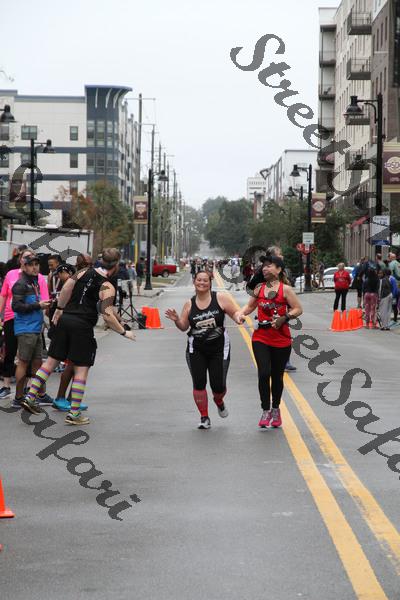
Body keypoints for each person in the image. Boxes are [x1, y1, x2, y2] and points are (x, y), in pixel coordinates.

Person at [21, 248, 135, 425]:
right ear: (117, 265)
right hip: (82, 326)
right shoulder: (107, 286)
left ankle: (30, 396)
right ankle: (74, 413)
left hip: (66, 320)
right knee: (81, 369)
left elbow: (66, 288)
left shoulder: (82, 272)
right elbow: (107, 315)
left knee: (50, 362)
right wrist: (124, 332)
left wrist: (60, 309)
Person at [165, 270, 240, 430]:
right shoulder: (189, 304)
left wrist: (239, 317)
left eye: (205, 280)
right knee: (199, 383)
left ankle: (219, 401)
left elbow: (235, 313)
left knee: (218, 386)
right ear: (194, 282)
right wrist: (177, 320)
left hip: (219, 348)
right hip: (196, 348)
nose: (202, 283)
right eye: (199, 280)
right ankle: (204, 417)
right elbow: (183, 327)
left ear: (210, 283)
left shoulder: (220, 298)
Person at [236, 255, 303, 429]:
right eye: (263, 266)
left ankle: (275, 408)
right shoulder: (259, 288)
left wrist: (284, 317)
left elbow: (298, 309)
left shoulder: (285, 290)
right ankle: (265, 410)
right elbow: (250, 306)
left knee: (277, 376)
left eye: (269, 265)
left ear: (279, 269)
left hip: (281, 338)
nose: (265, 269)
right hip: (261, 337)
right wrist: (241, 314)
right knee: (264, 373)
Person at [0, 249, 49, 401]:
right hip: (25, 328)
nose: (35, 267)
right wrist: (38, 305)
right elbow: (16, 306)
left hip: (35, 327)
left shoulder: (35, 282)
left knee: (37, 362)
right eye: (31, 264)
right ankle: (19, 397)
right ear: (24, 266)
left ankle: (37, 394)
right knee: (22, 362)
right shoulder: (20, 284)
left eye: (36, 264)